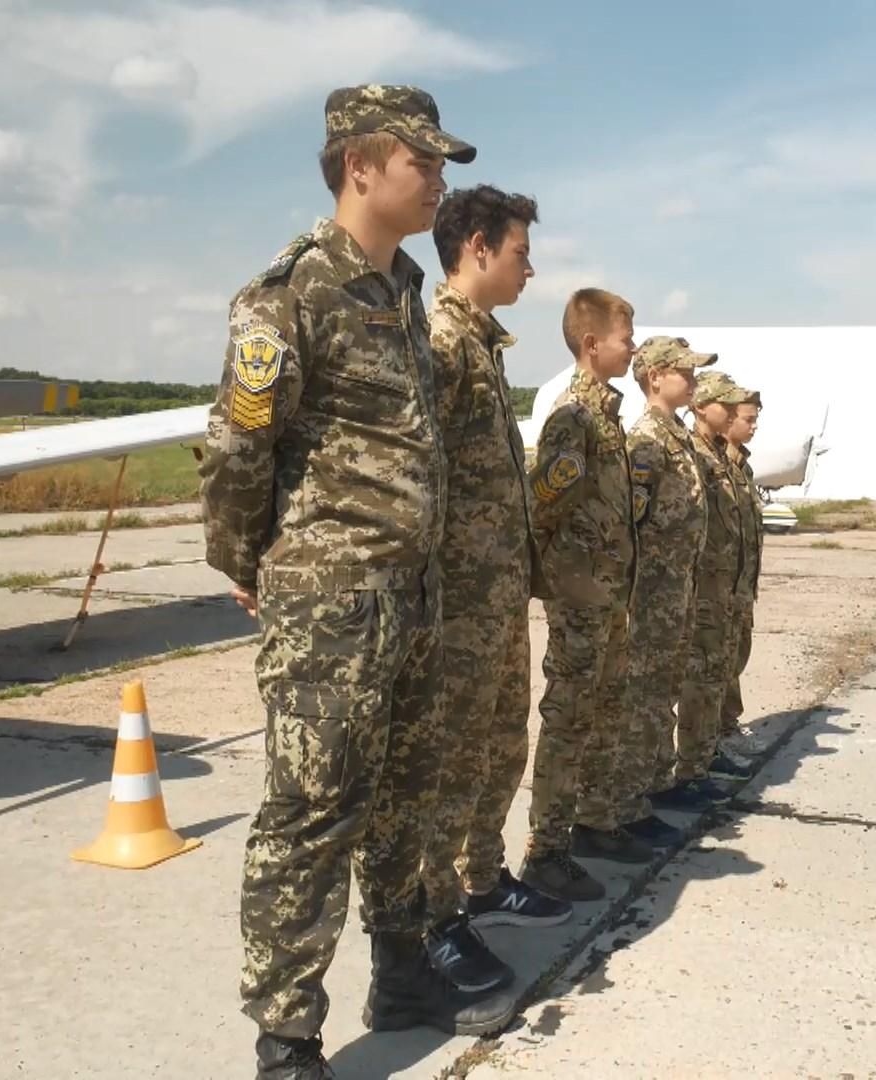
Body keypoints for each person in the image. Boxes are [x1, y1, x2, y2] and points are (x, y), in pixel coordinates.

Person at [198, 84, 508, 1080]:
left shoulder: (409, 292)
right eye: (425, 163)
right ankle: (287, 1035)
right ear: (362, 164)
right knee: (313, 807)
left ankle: (403, 968)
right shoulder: (289, 293)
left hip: (412, 592)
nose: (439, 181)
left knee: (407, 798)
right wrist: (251, 565)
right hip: (329, 599)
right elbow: (241, 450)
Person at [416, 184, 572, 997]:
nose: (529, 268)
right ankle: (433, 916)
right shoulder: (440, 339)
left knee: (500, 745)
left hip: (497, 597)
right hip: (459, 602)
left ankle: (482, 878)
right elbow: (420, 474)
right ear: (478, 246)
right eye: (519, 252)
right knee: (450, 760)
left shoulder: (481, 341)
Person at [519, 288, 647, 901]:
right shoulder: (574, 415)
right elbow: (543, 499)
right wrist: (554, 571)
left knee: (603, 710)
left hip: (608, 592)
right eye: (626, 338)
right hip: (579, 593)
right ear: (593, 344)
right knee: (569, 717)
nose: (634, 346)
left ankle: (594, 822)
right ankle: (545, 850)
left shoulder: (608, 416)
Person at [620, 336, 718, 830]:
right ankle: (632, 799)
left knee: (664, 689)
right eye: (686, 371)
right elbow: (632, 521)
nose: (695, 379)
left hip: (678, 586)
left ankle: (657, 784)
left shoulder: (674, 433)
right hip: (655, 589)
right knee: (645, 695)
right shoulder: (647, 439)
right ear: (655, 376)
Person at [656, 370, 750, 807]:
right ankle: (689, 768)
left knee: (715, 675)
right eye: (726, 407)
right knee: (698, 678)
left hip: (724, 586)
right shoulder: (691, 452)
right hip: (701, 587)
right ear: (702, 409)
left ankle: (704, 755)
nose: (733, 415)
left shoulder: (718, 456)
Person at [717, 389, 765, 774]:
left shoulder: (739, 466)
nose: (753, 425)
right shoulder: (714, 464)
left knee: (735, 657)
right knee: (715, 666)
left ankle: (726, 727)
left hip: (739, 584)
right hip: (717, 588)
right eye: (747, 418)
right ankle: (716, 738)